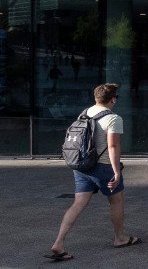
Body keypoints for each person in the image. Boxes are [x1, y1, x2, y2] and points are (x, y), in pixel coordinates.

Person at [46, 83, 140, 262]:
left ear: (96, 98)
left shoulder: (85, 112)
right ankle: (120, 238)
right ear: (113, 99)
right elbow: (112, 146)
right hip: (103, 168)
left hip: (82, 166)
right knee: (116, 201)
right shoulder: (113, 118)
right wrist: (116, 171)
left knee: (78, 203)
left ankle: (59, 242)